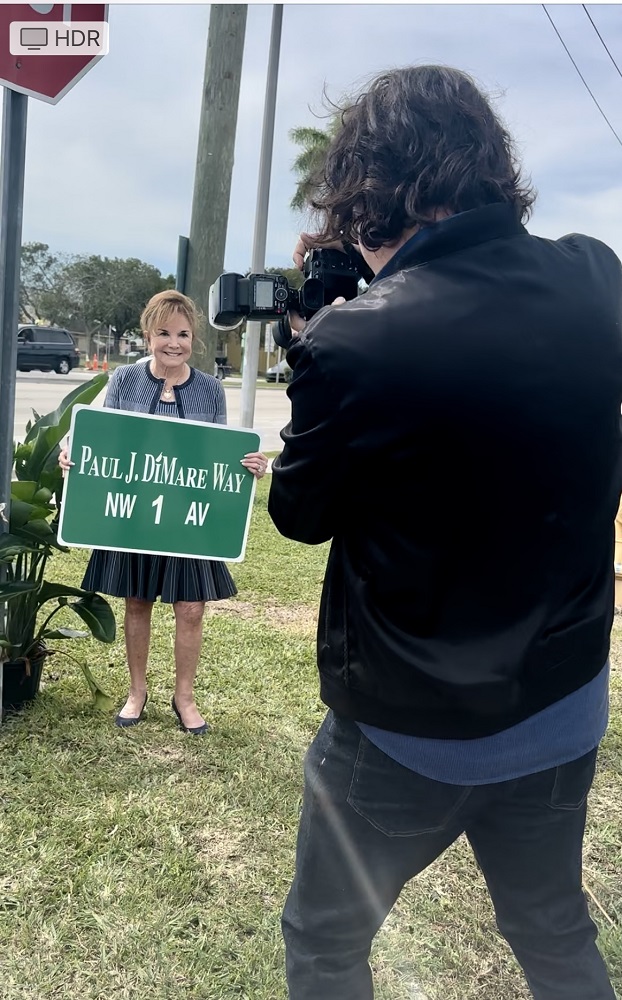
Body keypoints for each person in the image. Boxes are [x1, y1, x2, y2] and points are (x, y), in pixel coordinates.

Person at [268, 65, 622, 1000]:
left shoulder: (355, 344)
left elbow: (298, 516)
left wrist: (322, 347)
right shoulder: (599, 277)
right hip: (563, 701)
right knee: (552, 930)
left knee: (326, 942)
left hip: (406, 731)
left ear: (376, 195)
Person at [60, 289, 268, 734]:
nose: (174, 343)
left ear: (193, 338)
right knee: (138, 601)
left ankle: (184, 697)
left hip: (188, 520)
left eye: (183, 334)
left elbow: (219, 456)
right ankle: (137, 692)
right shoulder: (123, 382)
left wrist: (251, 464)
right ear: (147, 335)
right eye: (164, 333)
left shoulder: (210, 390)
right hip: (134, 514)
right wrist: (73, 456)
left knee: (191, 608)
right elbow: (106, 441)